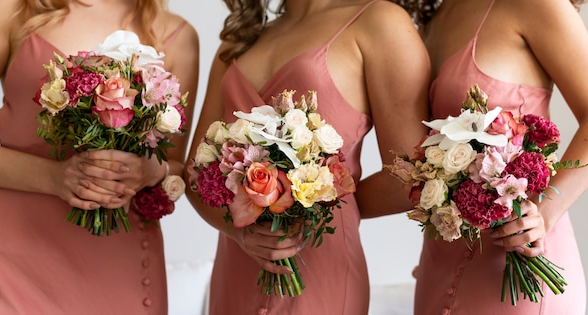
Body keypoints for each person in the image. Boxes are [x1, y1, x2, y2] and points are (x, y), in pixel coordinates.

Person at [184, 0, 430, 314]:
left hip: (318, 266)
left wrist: (310, 205)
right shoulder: (241, 36)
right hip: (239, 264)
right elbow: (197, 173)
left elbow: (411, 175)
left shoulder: (378, 22)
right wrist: (241, 232)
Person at [0, 0, 198, 314]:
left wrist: (149, 171)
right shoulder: (9, 7)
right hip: (6, 256)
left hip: (117, 265)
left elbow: (174, 165)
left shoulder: (178, 35)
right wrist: (53, 178)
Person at [393, 0, 588, 313]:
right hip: (439, 264)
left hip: (519, 262)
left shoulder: (537, 4)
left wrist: (543, 213)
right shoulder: (433, 20)